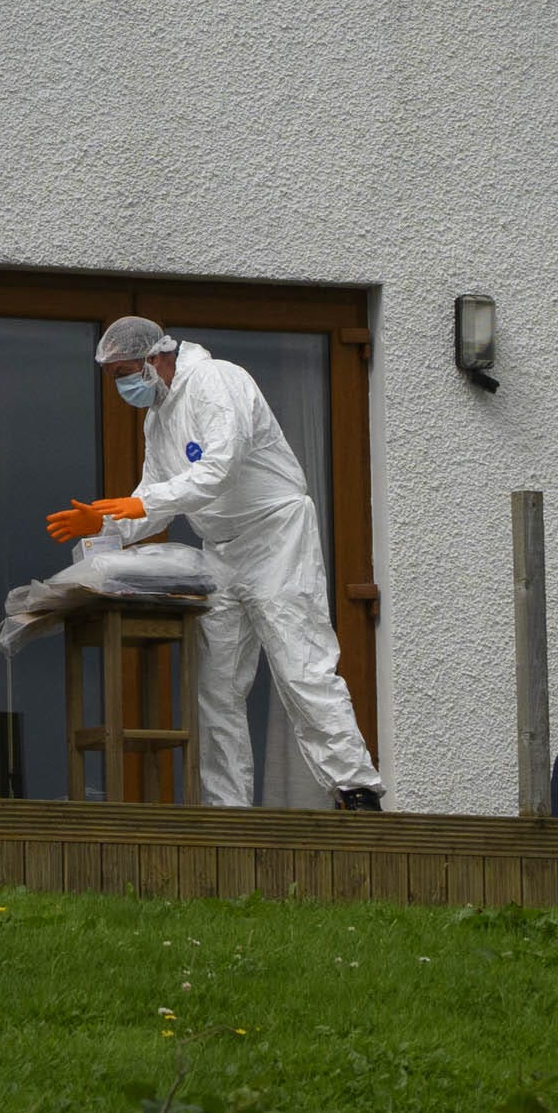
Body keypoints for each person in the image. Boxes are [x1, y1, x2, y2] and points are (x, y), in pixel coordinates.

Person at [42, 315, 383, 809]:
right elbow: (154, 494)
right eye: (114, 377)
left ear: (156, 357)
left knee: (301, 664)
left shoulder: (218, 380)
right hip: (220, 548)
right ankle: (228, 806)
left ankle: (357, 789)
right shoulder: (157, 419)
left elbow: (219, 468)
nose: (122, 387)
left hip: (276, 535)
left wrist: (144, 506)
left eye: (125, 373)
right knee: (216, 685)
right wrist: (106, 526)